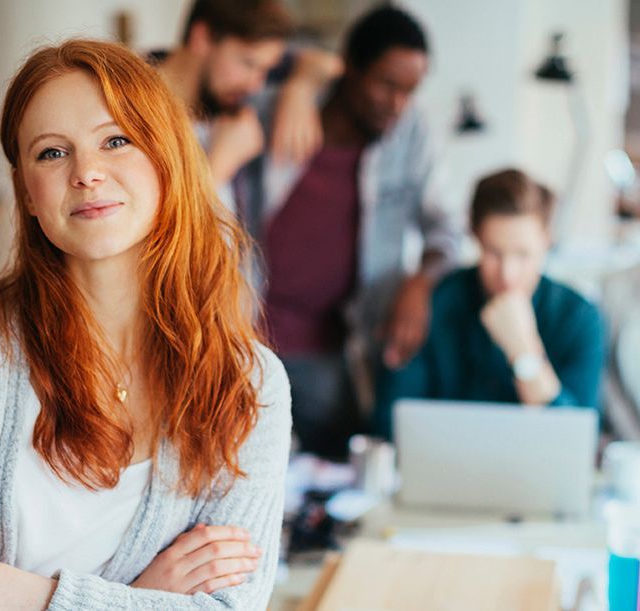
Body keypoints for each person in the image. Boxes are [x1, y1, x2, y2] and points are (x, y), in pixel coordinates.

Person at [0, 39, 291, 609]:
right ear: (28, 194)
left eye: (116, 140)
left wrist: (8, 592)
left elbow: (230, 607)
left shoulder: (250, 386)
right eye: (52, 153)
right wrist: (140, 599)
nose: (86, 173)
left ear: (166, 161)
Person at [258, 6, 462, 457]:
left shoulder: (411, 132)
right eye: (386, 85)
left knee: (336, 472)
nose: (398, 104)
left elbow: (446, 230)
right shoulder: (277, 109)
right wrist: (301, 80)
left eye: (410, 90)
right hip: (245, 339)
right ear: (348, 66)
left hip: (331, 351)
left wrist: (420, 282)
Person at [374, 169, 606, 440]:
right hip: (448, 470)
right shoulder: (434, 303)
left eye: (522, 254)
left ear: (547, 239)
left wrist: (524, 354)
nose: (507, 274)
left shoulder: (580, 318)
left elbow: (577, 440)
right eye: (494, 252)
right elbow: (390, 423)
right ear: (475, 236)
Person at [151, 0, 344, 217]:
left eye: (266, 69)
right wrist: (218, 166)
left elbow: (326, 63)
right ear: (202, 38)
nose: (256, 85)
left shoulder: (230, 102)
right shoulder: (128, 109)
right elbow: (153, 233)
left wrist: (299, 89)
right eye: (249, 64)